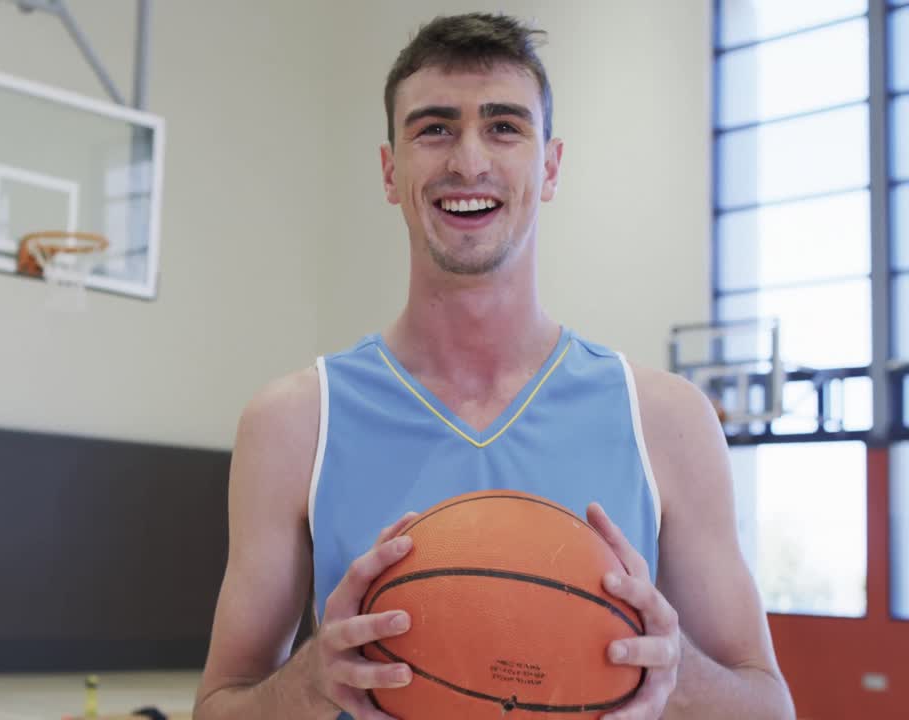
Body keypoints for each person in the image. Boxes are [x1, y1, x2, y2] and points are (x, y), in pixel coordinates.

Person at [193, 12, 794, 720]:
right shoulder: (295, 422)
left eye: (505, 126)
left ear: (551, 166)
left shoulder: (666, 420)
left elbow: (769, 707)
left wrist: (675, 667)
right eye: (434, 129)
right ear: (390, 171)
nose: (469, 162)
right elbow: (217, 707)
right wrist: (308, 683)